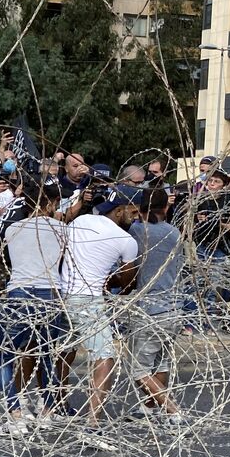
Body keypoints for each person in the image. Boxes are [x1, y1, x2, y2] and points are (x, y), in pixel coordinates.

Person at [58, 186, 143, 440]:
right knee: (105, 356)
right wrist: (110, 281)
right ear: (119, 211)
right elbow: (129, 284)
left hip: (62, 294)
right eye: (133, 211)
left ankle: (58, 402)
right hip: (89, 300)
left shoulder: (81, 220)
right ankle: (93, 422)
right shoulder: (127, 241)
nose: (136, 217)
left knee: (65, 350)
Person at [0, 185, 68, 434]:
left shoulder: (13, 228)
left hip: (21, 292)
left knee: (5, 355)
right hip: (51, 292)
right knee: (46, 352)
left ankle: (16, 415)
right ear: (52, 202)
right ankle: (46, 411)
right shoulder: (62, 229)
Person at [123, 188, 186, 422]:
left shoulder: (138, 231)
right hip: (173, 306)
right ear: (166, 208)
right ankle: (150, 408)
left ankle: (173, 410)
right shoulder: (174, 232)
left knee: (139, 369)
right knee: (162, 362)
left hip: (149, 309)